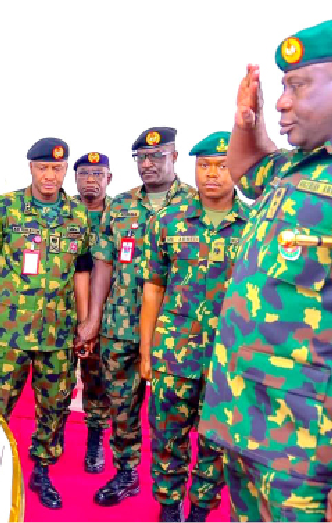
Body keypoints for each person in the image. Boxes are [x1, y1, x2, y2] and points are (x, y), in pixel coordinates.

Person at [199, 19, 332, 522]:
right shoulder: (301, 168)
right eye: (282, 87)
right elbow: (247, 166)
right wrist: (244, 117)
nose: (282, 102)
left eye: (298, 87)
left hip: (307, 455)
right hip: (251, 422)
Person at [77, 126, 198, 507]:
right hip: (120, 326)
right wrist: (93, 318)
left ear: (174, 157)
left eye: (156, 156)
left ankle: (170, 493)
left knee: (170, 420)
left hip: (175, 333)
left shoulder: (194, 205)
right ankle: (127, 472)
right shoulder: (122, 205)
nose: (148, 164)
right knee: (122, 408)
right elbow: (102, 262)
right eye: (141, 158)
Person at [0, 137, 92, 510]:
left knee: (54, 408)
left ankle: (42, 471)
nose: (50, 176)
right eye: (43, 168)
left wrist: (86, 321)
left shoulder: (77, 214)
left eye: (57, 168)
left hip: (58, 333)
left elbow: (82, 271)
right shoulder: (5, 207)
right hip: (8, 330)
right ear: (30, 168)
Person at [140, 131, 248, 522]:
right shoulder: (168, 221)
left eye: (221, 166)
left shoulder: (253, 224)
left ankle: (201, 511)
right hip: (174, 353)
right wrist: (146, 351)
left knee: (215, 442)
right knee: (168, 438)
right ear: (194, 169)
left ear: (235, 168)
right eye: (204, 166)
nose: (212, 174)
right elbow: (152, 287)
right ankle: (169, 510)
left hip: (228, 358)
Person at [63, 151, 113, 474]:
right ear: (75, 178)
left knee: (97, 379)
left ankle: (94, 439)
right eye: (84, 174)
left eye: (98, 174)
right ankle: (50, 438)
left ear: (110, 178)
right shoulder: (61, 212)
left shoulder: (122, 214)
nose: (91, 180)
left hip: (106, 311)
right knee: (56, 379)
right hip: (60, 309)